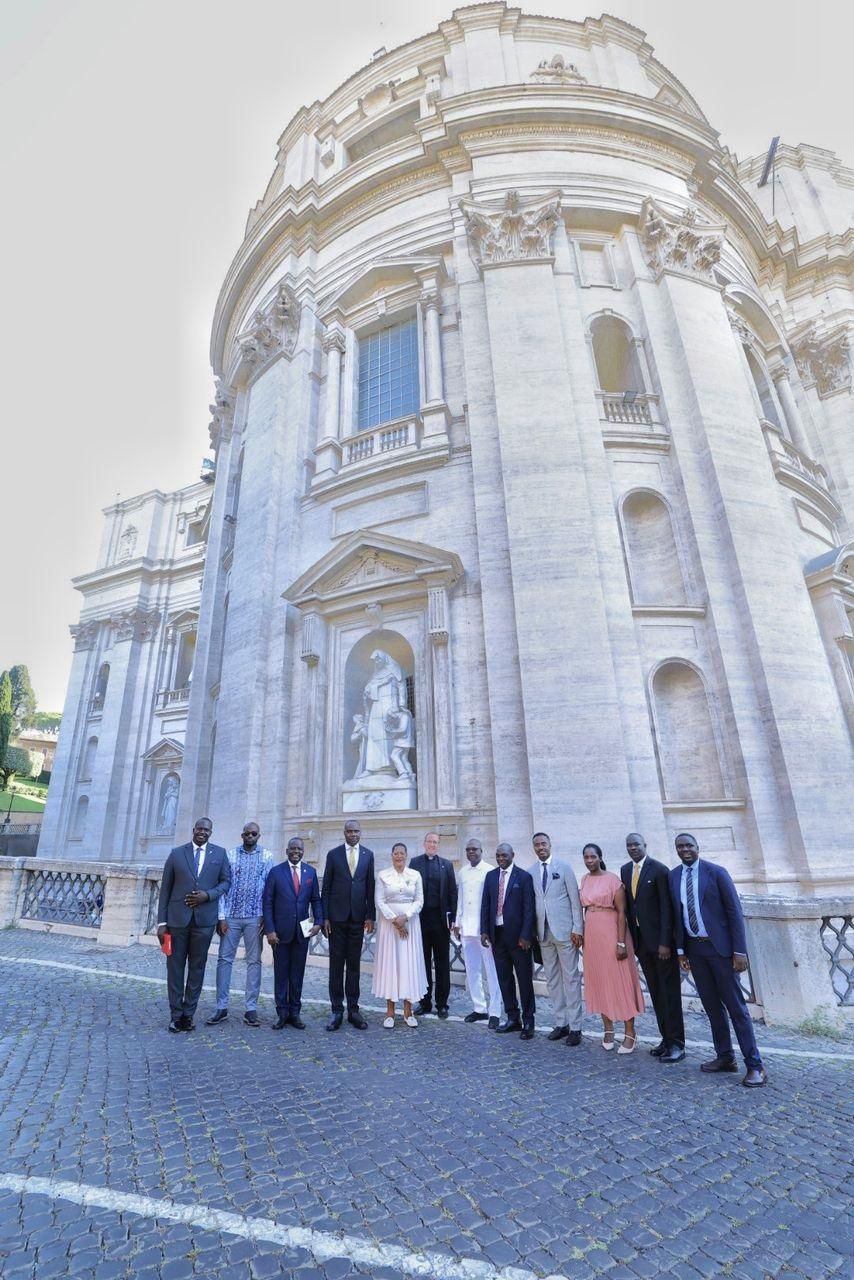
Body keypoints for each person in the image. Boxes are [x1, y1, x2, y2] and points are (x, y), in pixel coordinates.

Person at [669, 833, 766, 1087]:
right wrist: (681, 951)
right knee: (712, 1008)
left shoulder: (717, 873)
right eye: (680, 846)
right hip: (695, 951)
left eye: (689, 845)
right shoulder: (674, 876)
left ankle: (755, 1065)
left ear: (697, 847)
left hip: (721, 951)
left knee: (736, 1009)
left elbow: (734, 912)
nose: (685, 849)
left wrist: (740, 951)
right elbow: (677, 916)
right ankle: (725, 1057)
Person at [157, 817, 231, 1032]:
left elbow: (226, 882)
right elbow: (165, 889)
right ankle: (175, 1015)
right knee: (175, 968)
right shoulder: (176, 854)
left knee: (197, 968)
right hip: (177, 921)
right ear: (193, 830)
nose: (202, 832)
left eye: (206, 830)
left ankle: (188, 1015)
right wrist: (162, 922)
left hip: (204, 922)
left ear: (210, 833)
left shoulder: (220, 854)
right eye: (199, 829)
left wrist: (208, 895)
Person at [620, 832, 685, 1064]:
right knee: (656, 993)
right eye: (629, 845)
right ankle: (665, 1039)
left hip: (661, 945)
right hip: (642, 944)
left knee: (670, 993)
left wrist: (666, 942)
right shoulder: (625, 870)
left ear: (645, 845)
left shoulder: (659, 870)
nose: (633, 848)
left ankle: (677, 1044)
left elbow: (667, 908)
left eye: (636, 844)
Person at [206, 821, 275, 1028]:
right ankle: (221, 1006)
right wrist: (221, 917)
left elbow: (269, 890)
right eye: (247, 834)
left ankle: (251, 1008)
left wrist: (266, 917)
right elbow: (222, 886)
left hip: (255, 918)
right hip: (231, 917)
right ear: (242, 835)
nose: (250, 836)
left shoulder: (267, 857)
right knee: (224, 960)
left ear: (259, 836)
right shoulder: (230, 855)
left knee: (254, 962)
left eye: (254, 834)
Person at [579, 843, 644, 1053]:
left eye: (593, 857)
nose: (589, 860)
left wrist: (621, 942)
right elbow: (584, 909)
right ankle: (608, 1029)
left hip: (612, 933)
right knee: (599, 981)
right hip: (592, 936)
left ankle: (630, 1032)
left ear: (600, 857)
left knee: (620, 980)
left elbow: (622, 912)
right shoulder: (584, 879)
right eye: (586, 857)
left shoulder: (613, 880)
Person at [320, 819, 375, 1030]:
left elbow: (370, 886)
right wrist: (325, 917)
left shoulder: (368, 855)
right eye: (349, 831)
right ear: (344, 833)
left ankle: (353, 1010)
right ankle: (336, 1010)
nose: (353, 834)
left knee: (354, 966)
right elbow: (326, 888)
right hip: (336, 919)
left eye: (356, 831)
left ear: (361, 833)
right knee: (336, 966)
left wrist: (370, 916)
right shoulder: (333, 855)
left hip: (358, 918)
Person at [263, 836, 322, 1030]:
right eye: (293, 848)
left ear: (303, 851)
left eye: (299, 849)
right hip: (279, 933)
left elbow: (316, 900)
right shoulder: (275, 872)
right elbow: (267, 902)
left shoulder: (310, 872)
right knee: (281, 975)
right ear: (287, 850)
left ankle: (295, 1013)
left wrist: (318, 922)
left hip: (302, 932)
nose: (296, 851)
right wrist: (270, 930)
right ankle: (282, 1013)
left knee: (297, 975)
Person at [531, 832, 584, 1046]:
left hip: (565, 932)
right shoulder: (531, 871)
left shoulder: (564, 867)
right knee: (552, 979)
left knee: (571, 978)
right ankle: (561, 1023)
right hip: (543, 933)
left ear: (550, 845)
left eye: (543, 844)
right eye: (537, 845)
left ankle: (576, 1026)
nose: (541, 847)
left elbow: (575, 900)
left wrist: (578, 928)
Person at [480, 843, 536, 1040]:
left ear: (513, 855)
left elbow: (529, 909)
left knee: (524, 979)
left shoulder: (524, 877)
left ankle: (528, 1020)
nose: (500, 858)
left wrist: (526, 935)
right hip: (497, 935)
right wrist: (484, 931)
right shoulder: (491, 876)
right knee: (504, 979)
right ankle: (513, 1018)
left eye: (504, 855)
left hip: (519, 938)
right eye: (498, 855)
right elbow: (485, 904)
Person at [372, 842, 427, 1027]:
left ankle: (408, 1011)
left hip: (410, 925)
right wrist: (395, 920)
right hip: (389, 927)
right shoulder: (383, 875)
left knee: (408, 964)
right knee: (391, 965)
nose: (399, 856)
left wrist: (406, 917)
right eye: (396, 853)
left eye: (402, 853)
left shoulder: (415, 875)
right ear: (391, 855)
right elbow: (379, 901)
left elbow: (419, 900)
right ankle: (390, 1012)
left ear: (406, 855)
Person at [453, 838, 502, 1028]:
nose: (471, 852)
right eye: (468, 849)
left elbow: (493, 902)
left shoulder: (490, 871)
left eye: (474, 849)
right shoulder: (462, 871)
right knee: (472, 970)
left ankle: (495, 1011)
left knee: (491, 971)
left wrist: (488, 928)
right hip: (466, 928)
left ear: (482, 851)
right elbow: (460, 899)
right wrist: (457, 923)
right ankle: (479, 1007)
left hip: (484, 930)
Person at [411, 831, 458, 1018]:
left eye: (435, 842)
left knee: (442, 963)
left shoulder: (447, 865)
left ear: (439, 845)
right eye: (429, 841)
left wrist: (453, 918)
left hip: (440, 921)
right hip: (421, 921)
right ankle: (425, 1002)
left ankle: (442, 1004)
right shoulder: (415, 863)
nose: (432, 844)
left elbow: (452, 892)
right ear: (424, 843)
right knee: (422, 963)